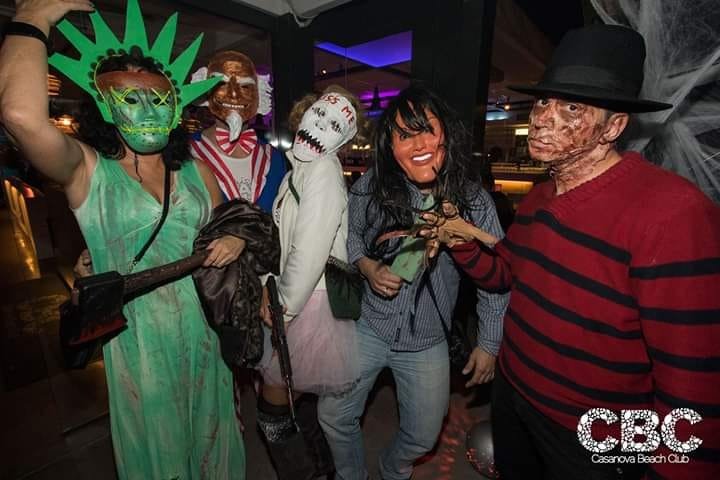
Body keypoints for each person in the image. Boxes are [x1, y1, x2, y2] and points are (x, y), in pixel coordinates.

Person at [423, 24, 720, 480]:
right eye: (544, 102)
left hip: (595, 435)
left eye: (572, 107)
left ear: (614, 127)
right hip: (513, 396)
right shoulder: (540, 197)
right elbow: (505, 274)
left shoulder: (673, 213)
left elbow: (694, 382)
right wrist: (458, 239)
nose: (543, 118)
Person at [0, 1, 247, 478]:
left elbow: (228, 227)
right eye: (130, 99)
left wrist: (236, 238)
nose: (147, 110)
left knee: (214, 442)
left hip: (204, 330)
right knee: (160, 450)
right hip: (138, 342)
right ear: (106, 106)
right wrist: (33, 19)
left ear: (175, 109)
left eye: (158, 99)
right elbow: (19, 116)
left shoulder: (197, 172)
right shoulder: (88, 171)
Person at [318, 84, 509, 480]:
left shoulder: (474, 202)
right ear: (391, 146)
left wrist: (489, 343)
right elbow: (351, 236)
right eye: (405, 135)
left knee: (424, 437)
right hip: (369, 326)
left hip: (427, 339)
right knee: (333, 414)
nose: (419, 144)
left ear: (446, 134)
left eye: (427, 130)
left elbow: (496, 278)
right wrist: (367, 266)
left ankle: (394, 468)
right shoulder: (373, 186)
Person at [255, 86, 366, 480]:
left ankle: (306, 473)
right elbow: (284, 242)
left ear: (345, 138)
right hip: (297, 295)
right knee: (295, 400)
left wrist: (283, 306)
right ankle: (323, 469)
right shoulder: (299, 170)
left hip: (309, 302)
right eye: (319, 114)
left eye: (336, 125)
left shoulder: (322, 171)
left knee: (272, 408)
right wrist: (269, 282)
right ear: (303, 113)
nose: (322, 126)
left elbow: (310, 249)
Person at [189, 50, 285, 212]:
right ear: (206, 91)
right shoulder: (185, 152)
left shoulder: (275, 158)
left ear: (259, 94)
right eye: (222, 84)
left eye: (245, 86)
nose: (234, 94)